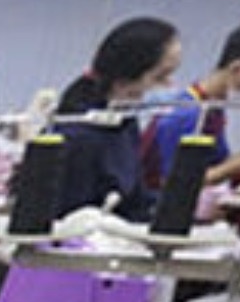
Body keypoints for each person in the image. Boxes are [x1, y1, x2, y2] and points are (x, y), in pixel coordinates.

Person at [143, 13, 240, 193]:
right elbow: (174, 184)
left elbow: (216, 164)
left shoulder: (214, 110)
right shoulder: (186, 114)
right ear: (237, 69)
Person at [53, 17, 182, 222]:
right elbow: (71, 220)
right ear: (123, 80)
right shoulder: (79, 137)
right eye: (160, 77)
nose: (170, 86)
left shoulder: (124, 122)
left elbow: (136, 198)